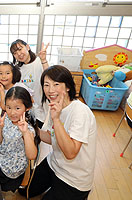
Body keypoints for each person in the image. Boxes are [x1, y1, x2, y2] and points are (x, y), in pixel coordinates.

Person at [19, 65, 97, 200]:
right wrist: (31, 129)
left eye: (56, 84)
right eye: (46, 85)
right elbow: (51, 138)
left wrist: (56, 119)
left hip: (74, 179)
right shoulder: (54, 105)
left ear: (67, 87)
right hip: (54, 163)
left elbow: (70, 152)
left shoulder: (80, 112)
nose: (50, 90)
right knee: (26, 192)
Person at [0, 86, 40, 192]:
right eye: (9, 107)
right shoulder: (6, 119)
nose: (12, 112)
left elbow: (32, 155)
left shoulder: (27, 128)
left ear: (27, 108)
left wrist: (25, 133)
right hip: (1, 155)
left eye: (17, 108)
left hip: (11, 167)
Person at [10, 39, 49, 127]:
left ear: (27, 47)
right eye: (15, 53)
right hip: (26, 109)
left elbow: (50, 78)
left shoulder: (39, 61)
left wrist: (44, 60)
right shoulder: (18, 69)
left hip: (42, 106)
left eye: (20, 49)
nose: (19, 54)